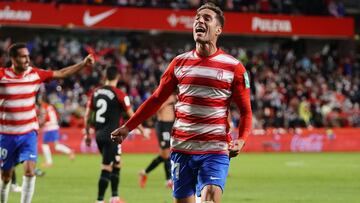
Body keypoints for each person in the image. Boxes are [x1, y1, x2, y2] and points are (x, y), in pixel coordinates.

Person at [111, 3, 252, 203]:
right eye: (197, 18)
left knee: (210, 198)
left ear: (218, 30)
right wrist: (128, 127)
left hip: (215, 148)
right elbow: (156, 99)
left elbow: (246, 111)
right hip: (181, 148)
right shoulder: (179, 63)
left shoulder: (234, 68)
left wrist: (242, 139)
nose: (199, 21)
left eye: (206, 18)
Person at [0, 42, 94, 203]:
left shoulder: (35, 74)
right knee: (6, 176)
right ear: (13, 59)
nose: (27, 59)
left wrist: (83, 63)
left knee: (29, 171)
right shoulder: (2, 75)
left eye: (28, 56)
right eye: (23, 56)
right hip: (7, 134)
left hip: (28, 132)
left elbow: (61, 73)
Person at [84, 66, 147, 203]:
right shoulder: (120, 94)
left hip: (99, 135)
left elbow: (88, 115)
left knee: (117, 163)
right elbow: (132, 115)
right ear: (117, 77)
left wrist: (87, 134)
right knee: (107, 166)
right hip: (112, 135)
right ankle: (100, 200)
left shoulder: (95, 93)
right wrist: (142, 130)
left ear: (105, 76)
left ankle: (115, 197)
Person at [138, 93, 176, 189]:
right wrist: (168, 102)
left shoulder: (174, 95)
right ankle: (169, 180)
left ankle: (144, 172)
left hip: (171, 125)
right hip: (162, 125)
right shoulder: (161, 96)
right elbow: (156, 109)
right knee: (166, 153)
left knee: (164, 155)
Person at [37, 95, 75, 168]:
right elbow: (56, 116)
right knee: (56, 146)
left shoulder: (44, 106)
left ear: (41, 100)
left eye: (39, 99)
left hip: (49, 127)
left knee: (45, 145)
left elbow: (45, 118)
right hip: (54, 126)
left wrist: (40, 125)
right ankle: (69, 151)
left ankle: (49, 162)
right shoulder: (50, 106)